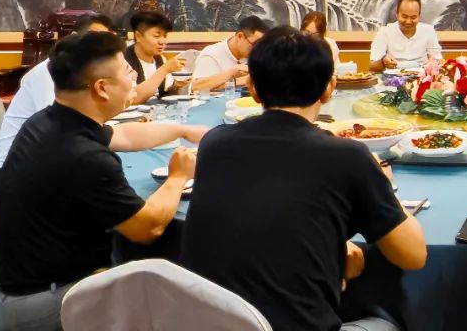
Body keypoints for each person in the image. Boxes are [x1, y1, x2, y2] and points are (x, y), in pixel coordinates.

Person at [182, 26, 426, 331]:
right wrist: (383, 183)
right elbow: (413, 256)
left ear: (253, 87)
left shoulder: (214, 144)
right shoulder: (347, 156)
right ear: (329, 88)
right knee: (387, 321)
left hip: (209, 323)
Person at [0, 32, 198, 330]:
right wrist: (178, 176)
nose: (134, 78)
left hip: (9, 287)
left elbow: (124, 135)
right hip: (40, 304)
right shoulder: (84, 156)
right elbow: (148, 228)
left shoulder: (50, 120)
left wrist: (184, 130)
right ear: (102, 88)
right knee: (176, 300)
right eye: (128, 72)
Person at [0, 13, 115, 167]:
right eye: (93, 38)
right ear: (74, 37)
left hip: (47, 151)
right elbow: (59, 127)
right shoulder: (48, 72)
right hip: (17, 164)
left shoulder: (80, 71)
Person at [190, 15, 268, 93]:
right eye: (255, 44)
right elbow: (196, 87)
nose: (258, 50)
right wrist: (232, 73)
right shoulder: (211, 54)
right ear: (240, 36)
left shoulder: (255, 55)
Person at [369, 0, 442, 73]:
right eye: (404, 16)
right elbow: (372, 66)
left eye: (413, 17)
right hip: (393, 77)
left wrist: (433, 62)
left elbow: (437, 59)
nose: (408, 21)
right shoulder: (385, 32)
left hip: (421, 76)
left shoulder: (428, 30)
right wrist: (383, 62)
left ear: (419, 16)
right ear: (397, 14)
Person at [125, 11, 186, 104]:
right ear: (138, 36)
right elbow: (131, 100)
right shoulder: (124, 60)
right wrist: (164, 70)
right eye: (157, 36)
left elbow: (167, 92)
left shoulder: (160, 59)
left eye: (165, 36)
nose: (162, 41)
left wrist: (180, 85)